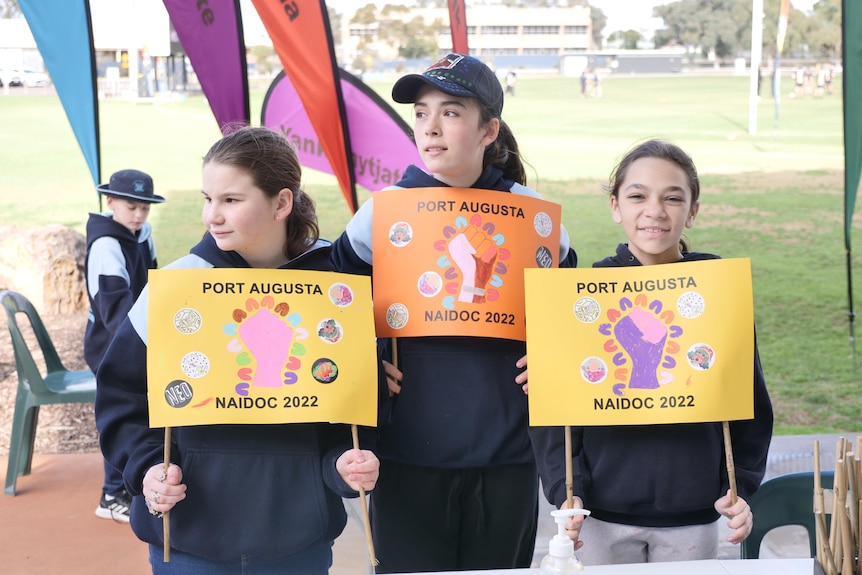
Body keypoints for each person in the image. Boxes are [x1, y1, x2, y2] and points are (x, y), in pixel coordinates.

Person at [330, 53, 578, 573]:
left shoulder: (535, 218)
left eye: (451, 112)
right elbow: (336, 312)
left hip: (508, 454)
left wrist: (554, 357)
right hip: (407, 454)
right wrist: (364, 365)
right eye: (421, 113)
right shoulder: (381, 213)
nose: (431, 127)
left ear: (490, 130)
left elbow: (570, 319)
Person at [94, 126, 381, 574]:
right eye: (208, 198)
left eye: (231, 200)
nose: (212, 215)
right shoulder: (176, 287)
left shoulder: (335, 290)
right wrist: (148, 469)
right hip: (189, 541)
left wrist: (342, 464)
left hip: (298, 541)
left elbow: (355, 403)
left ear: (281, 203)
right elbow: (121, 396)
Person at [535, 139, 773, 565]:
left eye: (673, 197)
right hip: (599, 514)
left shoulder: (718, 292)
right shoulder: (580, 299)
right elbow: (556, 415)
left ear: (693, 210)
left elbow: (748, 399)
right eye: (637, 195)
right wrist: (565, 491)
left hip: (693, 514)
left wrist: (739, 486)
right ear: (615, 206)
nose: (655, 210)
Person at [86, 168, 165, 522]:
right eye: (131, 207)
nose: (138, 215)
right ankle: (111, 493)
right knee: (122, 410)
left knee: (145, 409)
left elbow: (155, 287)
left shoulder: (141, 234)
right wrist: (145, 349)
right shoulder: (106, 245)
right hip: (111, 345)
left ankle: (131, 482)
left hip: (137, 339)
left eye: (145, 208)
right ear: (110, 201)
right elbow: (113, 311)